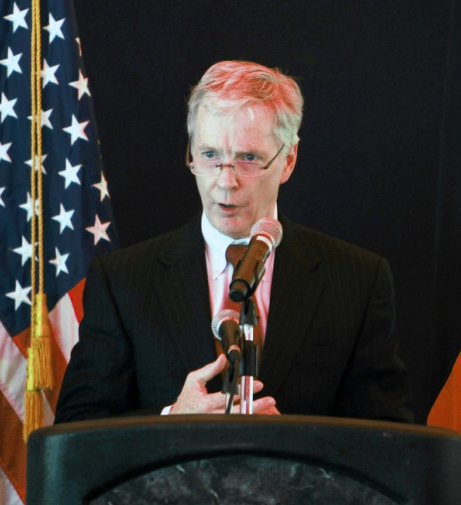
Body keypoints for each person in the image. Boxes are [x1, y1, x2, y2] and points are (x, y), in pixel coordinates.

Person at [54, 60, 414, 423]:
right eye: (210, 156)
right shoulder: (123, 280)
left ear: (288, 160)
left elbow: (387, 439)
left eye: (248, 158)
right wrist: (171, 419)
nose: (225, 182)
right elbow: (77, 429)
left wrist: (296, 441)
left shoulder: (357, 280)